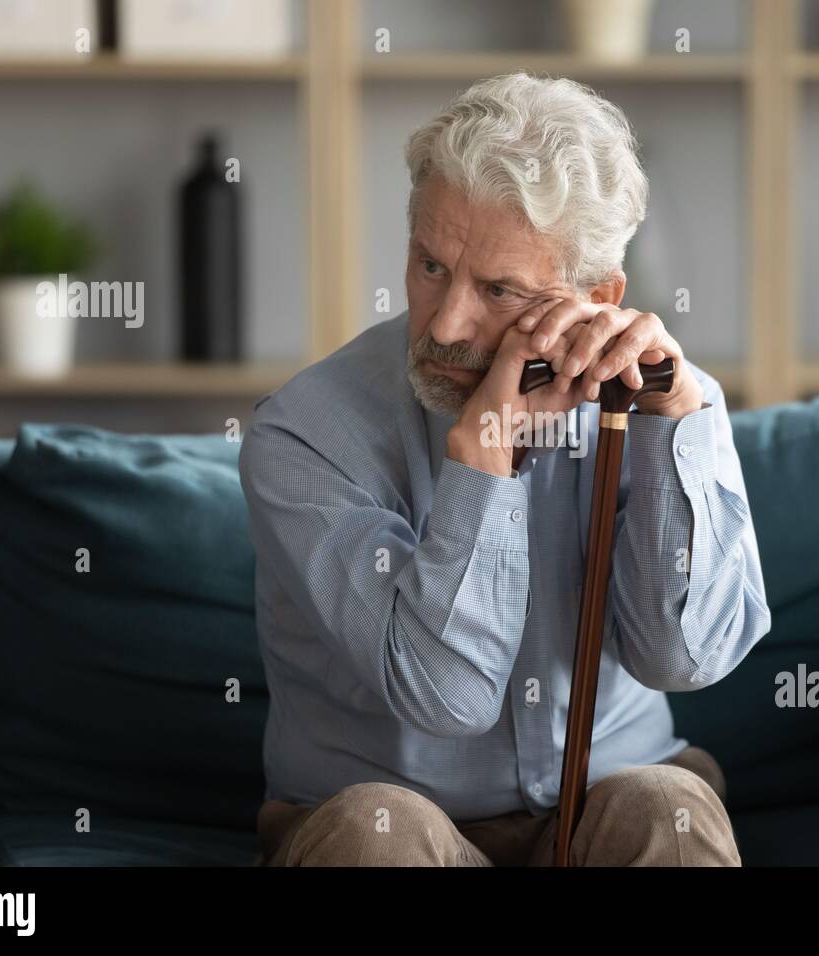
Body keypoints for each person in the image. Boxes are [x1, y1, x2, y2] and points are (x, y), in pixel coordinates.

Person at [239, 72, 771, 866]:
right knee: (374, 833)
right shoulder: (304, 435)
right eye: (429, 266)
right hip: (388, 819)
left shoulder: (657, 400)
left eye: (498, 290)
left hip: (607, 802)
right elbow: (445, 695)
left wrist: (675, 419)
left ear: (596, 295)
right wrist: (484, 453)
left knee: (668, 806)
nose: (447, 322)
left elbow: (682, 658)